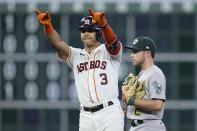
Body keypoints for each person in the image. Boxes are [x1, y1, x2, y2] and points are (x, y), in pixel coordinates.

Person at [34, 8, 124, 131]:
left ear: (98, 33)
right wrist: (48, 26)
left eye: (90, 30)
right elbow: (58, 44)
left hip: (109, 112)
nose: (86, 33)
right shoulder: (76, 56)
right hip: (86, 115)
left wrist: (104, 26)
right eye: (83, 30)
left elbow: (112, 42)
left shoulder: (108, 51)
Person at [124, 36, 166, 131]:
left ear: (147, 53)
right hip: (138, 126)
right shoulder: (142, 74)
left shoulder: (155, 73)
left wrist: (132, 101)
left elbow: (157, 104)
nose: (132, 55)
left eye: (135, 52)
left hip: (149, 126)